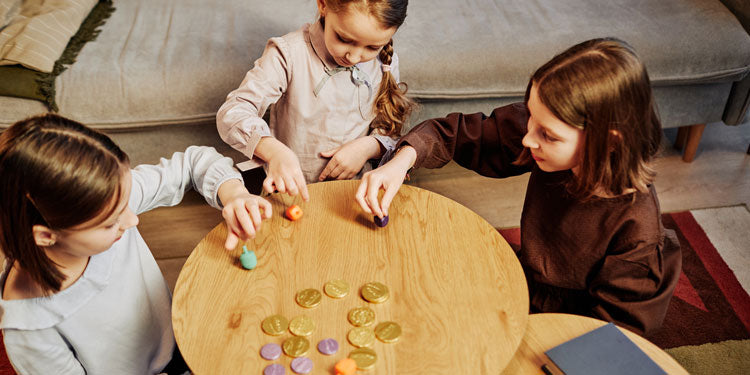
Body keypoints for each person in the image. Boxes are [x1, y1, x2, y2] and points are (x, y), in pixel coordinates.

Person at [355, 38, 681, 336]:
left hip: (570, 329)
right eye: (531, 120)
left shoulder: (638, 235)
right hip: (526, 279)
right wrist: (401, 162)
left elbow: (611, 342)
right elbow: (452, 134)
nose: (528, 138)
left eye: (547, 134)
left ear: (608, 142)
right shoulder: (545, 136)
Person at [0, 114, 272, 374]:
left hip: (182, 333)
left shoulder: (109, 199)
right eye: (109, 223)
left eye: (126, 204)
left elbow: (193, 162)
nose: (132, 220)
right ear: (46, 236)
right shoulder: (30, 330)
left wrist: (234, 194)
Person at [217, 0, 416, 200]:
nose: (354, 57)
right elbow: (233, 112)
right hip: (291, 192)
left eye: (372, 47)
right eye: (344, 39)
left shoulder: (385, 63)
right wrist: (273, 151)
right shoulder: (288, 54)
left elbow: (390, 127)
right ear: (323, 5)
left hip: (356, 192)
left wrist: (368, 147)